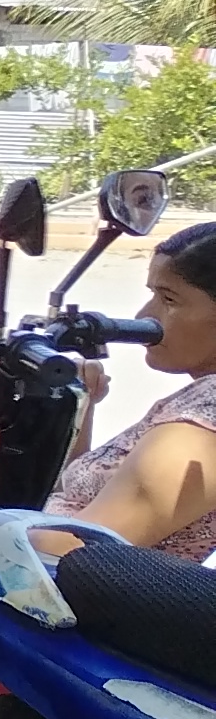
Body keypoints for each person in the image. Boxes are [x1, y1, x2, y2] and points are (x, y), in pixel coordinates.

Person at [38, 220, 216, 560]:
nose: (145, 315)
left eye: (169, 299)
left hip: (49, 588)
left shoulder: (204, 422)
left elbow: (76, 550)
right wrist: (82, 404)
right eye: (152, 295)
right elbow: (75, 501)